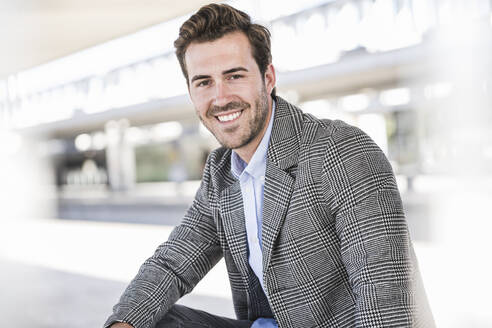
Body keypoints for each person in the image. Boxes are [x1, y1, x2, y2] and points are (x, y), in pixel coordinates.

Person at [105, 3, 434, 328]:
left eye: (234, 76)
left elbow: (386, 298)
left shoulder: (340, 151)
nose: (220, 98)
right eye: (204, 82)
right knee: (150, 321)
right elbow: (173, 264)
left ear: (268, 77)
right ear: (191, 93)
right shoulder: (221, 171)